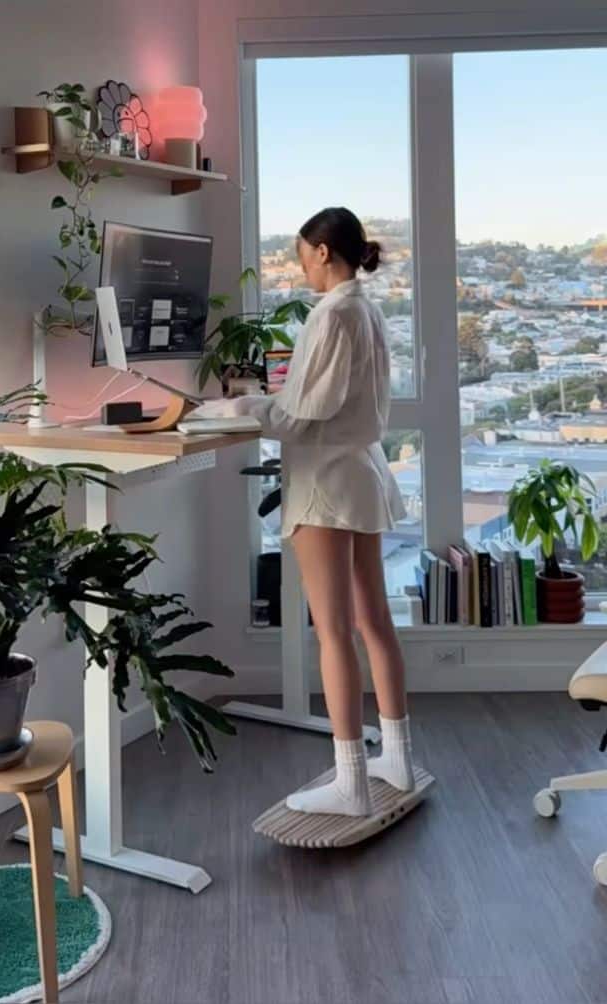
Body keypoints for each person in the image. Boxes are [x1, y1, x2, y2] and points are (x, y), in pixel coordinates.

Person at [191, 207, 414, 817]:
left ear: (322, 252)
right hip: (363, 473)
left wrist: (237, 411)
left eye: (299, 256)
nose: (299, 269)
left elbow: (300, 415)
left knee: (335, 630)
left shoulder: (332, 314)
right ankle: (395, 753)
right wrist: (263, 404)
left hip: (325, 483)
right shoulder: (367, 310)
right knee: (374, 622)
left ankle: (351, 783)